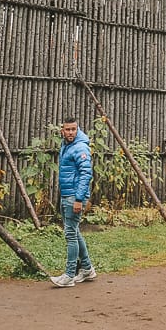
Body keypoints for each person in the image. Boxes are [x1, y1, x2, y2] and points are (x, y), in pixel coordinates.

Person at [50, 117, 97, 287]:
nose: (70, 132)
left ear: (78, 129)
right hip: (67, 194)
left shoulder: (80, 147)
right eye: (67, 129)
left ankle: (69, 275)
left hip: (74, 197)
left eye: (73, 129)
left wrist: (78, 199)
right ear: (62, 130)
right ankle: (87, 269)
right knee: (74, 232)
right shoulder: (66, 145)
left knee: (70, 234)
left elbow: (86, 174)